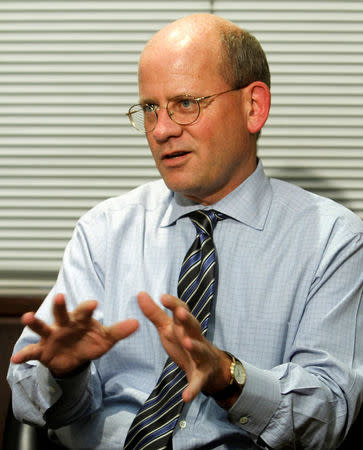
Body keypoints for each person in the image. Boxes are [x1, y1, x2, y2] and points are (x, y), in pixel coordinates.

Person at [7, 13, 362, 450]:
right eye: (151, 108)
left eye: (186, 104)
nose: (161, 130)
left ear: (254, 107)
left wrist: (228, 378)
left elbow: (328, 416)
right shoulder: (104, 230)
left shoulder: (332, 238)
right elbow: (29, 399)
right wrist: (64, 374)